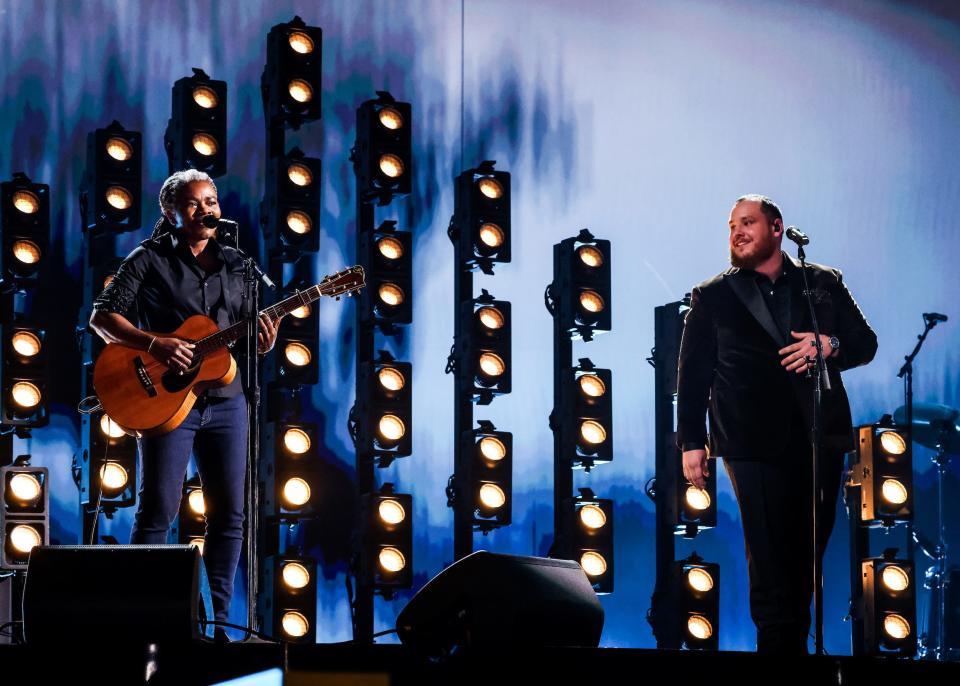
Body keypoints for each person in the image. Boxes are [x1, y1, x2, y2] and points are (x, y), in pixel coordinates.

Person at [676, 194, 877, 653]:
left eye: (747, 223)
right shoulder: (712, 296)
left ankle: (791, 646)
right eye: (731, 226)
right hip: (748, 440)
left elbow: (865, 342)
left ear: (777, 228)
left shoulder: (821, 282)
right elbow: (692, 374)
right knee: (767, 558)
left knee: (807, 556)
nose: (737, 233)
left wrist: (830, 345)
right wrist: (691, 441)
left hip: (818, 435)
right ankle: (777, 651)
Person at [90, 169, 279, 638]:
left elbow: (236, 335)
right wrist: (154, 345)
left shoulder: (239, 266)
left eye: (210, 200)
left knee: (230, 514)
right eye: (193, 203)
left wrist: (260, 341)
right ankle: (144, 621)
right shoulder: (148, 259)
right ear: (170, 211)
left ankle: (217, 625)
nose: (205, 209)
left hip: (227, 400)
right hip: (165, 401)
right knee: (158, 509)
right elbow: (102, 318)